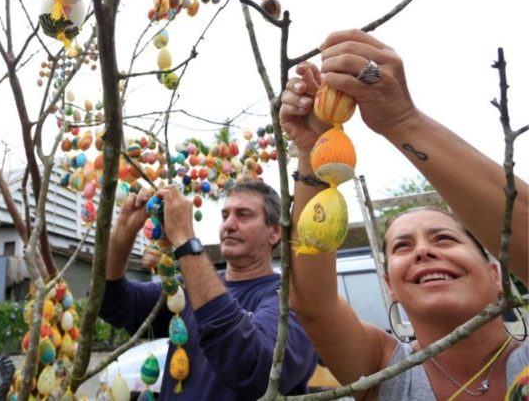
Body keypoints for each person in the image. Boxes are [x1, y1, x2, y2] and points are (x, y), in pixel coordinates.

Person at [279, 29, 528, 399]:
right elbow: (313, 304)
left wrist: (402, 119)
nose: (423, 251)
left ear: (496, 275)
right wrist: (312, 150)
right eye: (401, 247)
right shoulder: (383, 371)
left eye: (444, 237)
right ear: (390, 287)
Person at [99, 180, 318, 399]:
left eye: (243, 215)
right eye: (225, 215)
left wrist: (185, 239)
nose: (229, 225)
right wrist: (124, 231)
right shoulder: (185, 287)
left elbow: (254, 371)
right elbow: (111, 302)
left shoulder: (291, 299)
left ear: (275, 231)